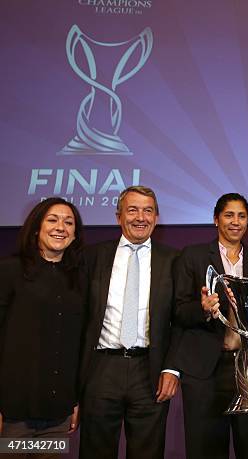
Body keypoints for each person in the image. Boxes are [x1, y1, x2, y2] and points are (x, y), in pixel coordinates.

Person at [173, 192, 248, 459]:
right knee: (205, 449)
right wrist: (203, 309)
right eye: (229, 215)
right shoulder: (194, 256)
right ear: (215, 219)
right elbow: (178, 311)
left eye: (242, 216)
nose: (236, 222)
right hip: (205, 370)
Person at [78, 186, 181, 459]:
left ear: (157, 218)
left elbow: (181, 320)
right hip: (101, 369)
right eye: (132, 210)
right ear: (118, 216)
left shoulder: (174, 260)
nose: (140, 217)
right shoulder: (92, 256)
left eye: (148, 211)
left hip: (150, 371)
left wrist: (172, 368)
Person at [0, 198, 84, 455]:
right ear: (36, 227)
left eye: (69, 222)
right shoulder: (9, 271)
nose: (61, 227)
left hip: (57, 415)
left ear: (74, 234)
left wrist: (74, 400)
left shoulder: (80, 278)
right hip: (13, 415)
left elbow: (77, 344)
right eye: (53, 220)